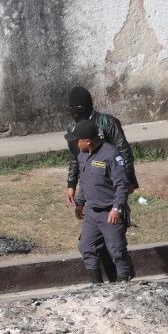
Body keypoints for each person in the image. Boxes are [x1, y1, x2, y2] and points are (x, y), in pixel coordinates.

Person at [72, 119, 135, 284]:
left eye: (78, 140)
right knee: (86, 247)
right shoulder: (82, 156)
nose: (75, 143)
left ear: (88, 141)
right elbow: (84, 182)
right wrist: (79, 203)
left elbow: (121, 185)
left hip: (110, 213)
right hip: (92, 213)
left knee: (117, 251)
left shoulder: (111, 155)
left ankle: (124, 281)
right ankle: (97, 286)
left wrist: (117, 208)